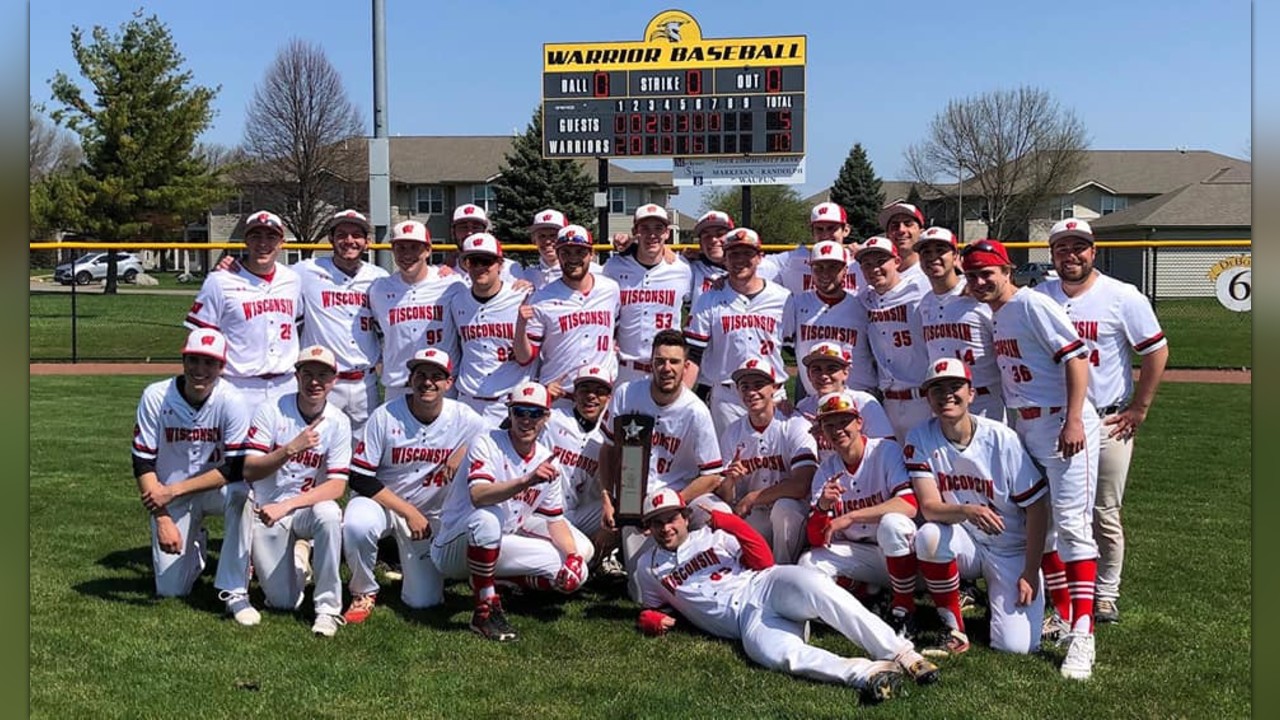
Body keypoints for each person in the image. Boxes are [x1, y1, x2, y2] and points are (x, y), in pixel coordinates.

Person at [634, 488, 940, 704]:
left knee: (822, 591)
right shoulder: (647, 570)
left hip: (767, 583)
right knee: (775, 655)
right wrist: (650, 618)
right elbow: (656, 609)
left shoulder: (713, 536)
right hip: (747, 621)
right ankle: (867, 673)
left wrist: (729, 523)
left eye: (672, 518)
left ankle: (902, 653)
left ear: (686, 518)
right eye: (657, 522)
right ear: (648, 528)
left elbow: (764, 560)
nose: (666, 528)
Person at [960, 238, 1101, 680]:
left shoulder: (1030, 305)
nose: (981, 281)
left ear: (1008, 270)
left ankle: (1084, 635)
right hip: (1030, 424)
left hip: (1062, 422)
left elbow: (1078, 358)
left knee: (1075, 526)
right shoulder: (999, 314)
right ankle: (1062, 613)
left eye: (989, 272)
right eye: (974, 274)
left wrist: (1074, 418)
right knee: (1047, 526)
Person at [1038, 218, 1169, 624]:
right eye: (1062, 248)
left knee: (1103, 512)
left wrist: (1140, 408)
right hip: (1053, 422)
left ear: (1094, 252)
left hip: (1107, 418)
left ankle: (1106, 592)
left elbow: (1156, 351)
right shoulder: (1039, 296)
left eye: (1079, 247)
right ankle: (1059, 590)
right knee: (1054, 511)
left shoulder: (1121, 296)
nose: (1071, 255)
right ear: (1053, 254)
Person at [900, 357, 1050, 655]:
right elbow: (929, 507)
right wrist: (970, 511)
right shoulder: (920, 436)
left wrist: (1030, 570)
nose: (947, 395)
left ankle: (1004, 601)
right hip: (965, 538)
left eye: (955, 386)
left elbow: (1037, 507)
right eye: (937, 389)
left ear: (972, 393)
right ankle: (952, 625)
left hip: (1010, 547)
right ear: (927, 397)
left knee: (1017, 647)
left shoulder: (1001, 438)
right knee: (929, 535)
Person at [431, 381, 595, 642]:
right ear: (509, 413)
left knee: (577, 570)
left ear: (546, 417)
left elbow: (554, 520)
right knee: (488, 518)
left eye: (535, 413)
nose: (526, 420)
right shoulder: (486, 443)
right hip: (454, 544)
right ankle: (484, 611)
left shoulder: (546, 458)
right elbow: (479, 495)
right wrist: (526, 481)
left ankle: (502, 582)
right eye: (520, 412)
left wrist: (573, 556)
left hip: (497, 545)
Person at [341, 348, 487, 624]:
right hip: (384, 505)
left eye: (436, 376)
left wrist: (464, 450)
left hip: (429, 518)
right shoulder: (385, 415)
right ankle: (363, 590)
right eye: (420, 374)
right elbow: (359, 477)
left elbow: (497, 435)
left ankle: (409, 568)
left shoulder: (464, 417)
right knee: (356, 524)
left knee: (424, 602)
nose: (427, 382)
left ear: (449, 383)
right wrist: (408, 512)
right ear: (410, 379)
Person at [130, 328, 257, 625]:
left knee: (242, 493)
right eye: (195, 360)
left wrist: (173, 491)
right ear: (184, 360)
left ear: (221, 367)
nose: (201, 370)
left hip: (214, 488)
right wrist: (162, 519)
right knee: (171, 591)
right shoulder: (156, 396)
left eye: (210, 363)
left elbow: (235, 468)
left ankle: (234, 591)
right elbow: (142, 461)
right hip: (169, 496)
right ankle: (195, 545)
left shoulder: (232, 400)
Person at [598, 329, 728, 602]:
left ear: (686, 366)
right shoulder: (626, 394)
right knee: (640, 593)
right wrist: (608, 499)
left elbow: (712, 476)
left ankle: (718, 575)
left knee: (721, 513)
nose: (666, 368)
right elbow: (608, 450)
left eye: (674, 361)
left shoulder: (695, 410)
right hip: (636, 495)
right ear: (651, 363)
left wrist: (674, 505)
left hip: (681, 494)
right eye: (660, 361)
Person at [242, 345, 352, 637]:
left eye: (323, 375)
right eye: (308, 374)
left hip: (298, 508)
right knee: (282, 602)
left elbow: (337, 485)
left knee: (329, 513)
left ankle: (328, 610)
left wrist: (289, 505)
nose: (315, 381)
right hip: (266, 511)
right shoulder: (271, 410)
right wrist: (290, 449)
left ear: (334, 380)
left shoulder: (339, 421)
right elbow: (249, 469)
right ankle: (300, 559)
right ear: (297, 376)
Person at [795, 390, 923, 637]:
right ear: (822, 431)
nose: (838, 430)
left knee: (893, 524)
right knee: (808, 563)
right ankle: (864, 596)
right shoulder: (826, 470)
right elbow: (816, 539)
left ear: (859, 423)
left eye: (844, 422)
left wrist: (852, 516)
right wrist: (822, 507)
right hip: (865, 557)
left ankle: (904, 610)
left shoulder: (885, 451)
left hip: (905, 556)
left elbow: (908, 505)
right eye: (829, 424)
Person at [185, 210, 302, 407]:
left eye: (271, 237)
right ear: (246, 241)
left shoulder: (293, 280)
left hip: (286, 385)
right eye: (256, 236)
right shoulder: (220, 281)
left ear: (282, 243)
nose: (263, 243)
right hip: (238, 385)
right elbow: (199, 335)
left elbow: (299, 324)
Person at [684, 227, 791, 435]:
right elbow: (694, 354)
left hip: (773, 393)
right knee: (728, 462)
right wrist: (682, 397)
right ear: (724, 259)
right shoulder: (709, 299)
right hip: (728, 397)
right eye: (733, 254)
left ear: (760, 257)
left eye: (747, 253)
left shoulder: (783, 298)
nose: (739, 260)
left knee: (775, 462)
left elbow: (796, 347)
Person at [294, 209, 389, 433]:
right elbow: (267, 276)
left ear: (367, 242)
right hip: (322, 381)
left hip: (365, 383)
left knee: (363, 453)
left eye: (356, 235)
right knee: (316, 449)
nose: (349, 241)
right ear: (331, 239)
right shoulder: (306, 271)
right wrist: (235, 267)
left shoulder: (380, 278)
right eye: (342, 234)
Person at [716, 358, 817, 565]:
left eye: (758, 385)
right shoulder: (732, 432)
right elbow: (725, 496)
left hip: (791, 511)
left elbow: (801, 485)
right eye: (745, 386)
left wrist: (753, 497)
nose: (751, 392)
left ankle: (782, 570)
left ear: (775, 388)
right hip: (753, 513)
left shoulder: (794, 425)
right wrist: (730, 481)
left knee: (785, 509)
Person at [914, 226, 1005, 421]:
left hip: (985, 400)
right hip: (945, 402)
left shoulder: (977, 294)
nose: (933, 257)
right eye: (926, 252)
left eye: (940, 250)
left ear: (955, 256)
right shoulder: (925, 303)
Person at [515, 224, 621, 390]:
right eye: (566, 252)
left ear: (591, 254)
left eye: (580, 252)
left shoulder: (610, 289)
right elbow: (524, 358)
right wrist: (520, 325)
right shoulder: (542, 298)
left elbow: (618, 328)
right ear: (558, 255)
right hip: (559, 394)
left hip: (600, 393)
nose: (573, 258)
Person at [445, 232, 535, 426]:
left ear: (500, 265)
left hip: (508, 403)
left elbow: (527, 357)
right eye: (473, 261)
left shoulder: (521, 296)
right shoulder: (457, 301)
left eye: (486, 261)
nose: (480, 268)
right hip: (468, 402)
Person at [368, 220, 463, 399]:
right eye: (401, 248)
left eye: (414, 247)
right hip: (398, 385)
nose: (407, 254)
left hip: (440, 384)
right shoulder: (380, 289)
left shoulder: (451, 284)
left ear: (428, 250)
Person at [603, 204, 692, 386]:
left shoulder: (682, 269)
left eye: (658, 228)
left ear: (667, 233)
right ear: (635, 231)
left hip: (666, 369)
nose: (652, 235)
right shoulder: (614, 267)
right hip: (625, 369)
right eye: (645, 228)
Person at [854, 236, 932, 443]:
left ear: (897, 262)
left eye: (881, 261)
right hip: (887, 403)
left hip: (922, 399)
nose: (874, 268)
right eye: (867, 264)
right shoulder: (864, 299)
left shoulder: (920, 289)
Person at [543, 365, 617, 570]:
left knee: (624, 510)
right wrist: (544, 400)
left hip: (578, 513)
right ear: (574, 393)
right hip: (543, 512)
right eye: (585, 390)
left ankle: (607, 558)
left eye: (599, 391)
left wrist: (610, 526)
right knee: (581, 554)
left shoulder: (609, 434)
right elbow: (509, 429)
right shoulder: (552, 418)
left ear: (609, 397)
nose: (591, 396)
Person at [783, 240, 878, 395]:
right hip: (814, 398)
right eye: (818, 267)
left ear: (845, 270)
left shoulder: (862, 305)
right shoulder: (797, 303)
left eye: (833, 267)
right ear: (811, 270)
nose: (825, 273)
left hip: (860, 397)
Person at [794, 341, 895, 452]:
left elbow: (887, 448)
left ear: (845, 372)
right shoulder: (804, 407)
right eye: (816, 369)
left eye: (831, 369)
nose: (823, 376)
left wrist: (835, 434)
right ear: (808, 375)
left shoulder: (864, 403)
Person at [760, 201, 866, 294]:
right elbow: (755, 265)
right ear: (812, 232)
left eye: (831, 228)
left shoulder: (858, 261)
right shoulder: (792, 259)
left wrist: (867, 255)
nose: (825, 235)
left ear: (846, 230)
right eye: (819, 229)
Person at [521, 208, 602, 290]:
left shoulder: (594, 272)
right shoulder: (527, 275)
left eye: (553, 235)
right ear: (534, 240)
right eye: (542, 236)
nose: (547, 241)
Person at [448, 203, 525, 285]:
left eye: (475, 227)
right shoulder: (443, 273)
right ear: (453, 232)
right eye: (463, 227)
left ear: (485, 231)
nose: (469, 233)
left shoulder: (510, 269)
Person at [687, 210, 732, 308]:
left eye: (720, 234)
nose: (713, 240)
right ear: (700, 244)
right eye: (707, 236)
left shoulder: (756, 267)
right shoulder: (691, 268)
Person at [878, 201, 928, 286]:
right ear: (887, 235)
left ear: (921, 233)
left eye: (908, 224)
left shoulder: (931, 275)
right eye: (895, 225)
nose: (901, 230)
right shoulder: (876, 275)